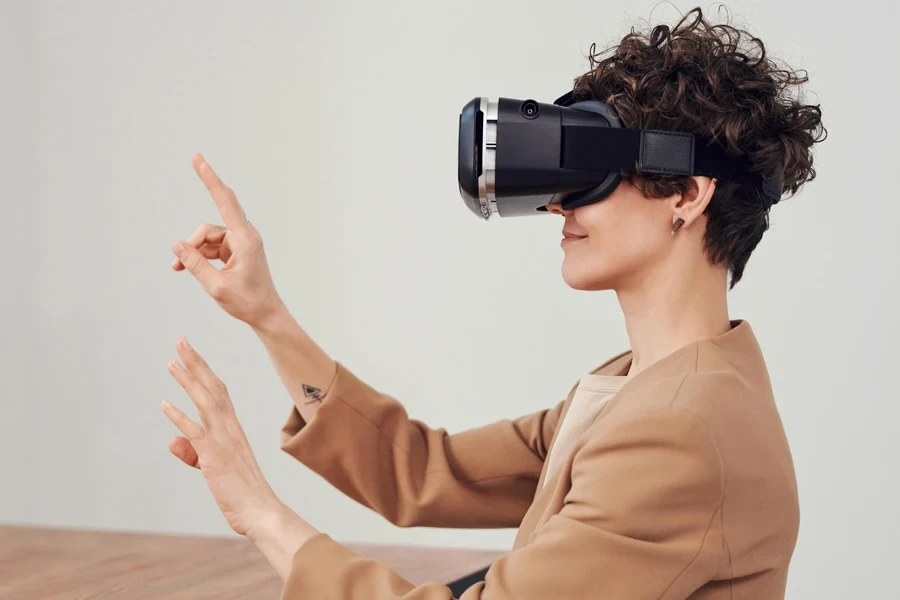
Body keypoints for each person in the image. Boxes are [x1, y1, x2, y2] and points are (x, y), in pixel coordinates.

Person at [161, 8, 825, 599]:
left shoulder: (683, 431)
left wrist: (258, 512)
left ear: (686, 194)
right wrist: (266, 314)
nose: (557, 202)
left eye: (587, 170)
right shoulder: (645, 388)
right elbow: (424, 473)